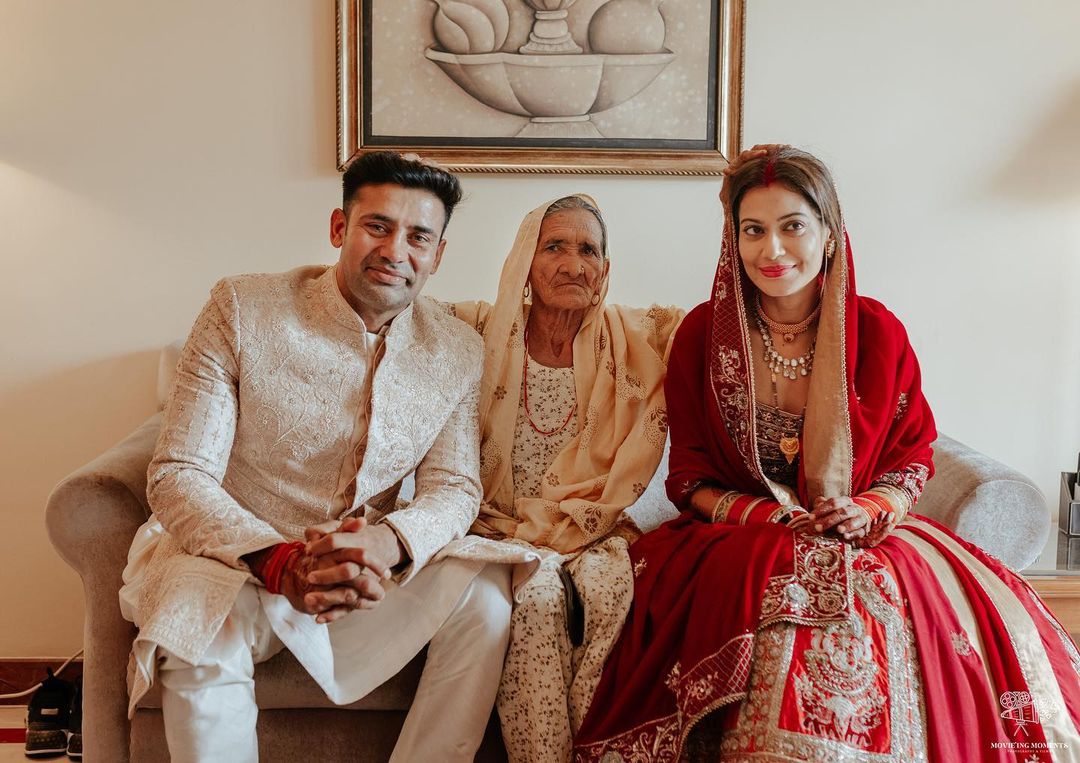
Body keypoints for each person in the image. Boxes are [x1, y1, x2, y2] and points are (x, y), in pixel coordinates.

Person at [574, 147, 1080, 761]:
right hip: (740, 533)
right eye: (753, 230)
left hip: (865, 532)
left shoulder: (877, 333)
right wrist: (768, 517)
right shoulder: (703, 336)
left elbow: (914, 453)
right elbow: (690, 478)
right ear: (733, 239)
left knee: (880, 596)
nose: (772, 251)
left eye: (793, 227)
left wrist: (868, 509)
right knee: (765, 590)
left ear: (830, 233)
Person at [118, 151, 512, 762]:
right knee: (199, 636)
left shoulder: (458, 347)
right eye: (377, 226)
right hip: (233, 559)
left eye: (418, 237)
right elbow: (179, 473)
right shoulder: (243, 308)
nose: (395, 251)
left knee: (485, 597)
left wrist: (386, 546)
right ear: (339, 229)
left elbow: (455, 487)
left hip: (362, 572)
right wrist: (279, 563)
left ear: (437, 255)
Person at [448, 195, 683, 762]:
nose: (574, 265)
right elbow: (387, 309)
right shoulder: (475, 329)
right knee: (537, 597)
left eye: (589, 250)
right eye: (554, 246)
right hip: (499, 530)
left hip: (597, 535)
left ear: (605, 267)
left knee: (611, 594)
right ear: (525, 260)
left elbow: (727, 324)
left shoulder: (640, 339)